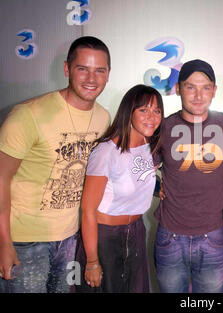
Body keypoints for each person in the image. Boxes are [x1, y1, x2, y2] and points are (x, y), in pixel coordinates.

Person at [0, 36, 111, 292]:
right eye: (82, 69)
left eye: (99, 71)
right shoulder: (28, 115)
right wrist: (4, 242)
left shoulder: (103, 117)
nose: (91, 79)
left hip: (69, 238)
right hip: (24, 241)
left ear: (108, 75)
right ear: (66, 69)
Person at [153, 59, 223, 293]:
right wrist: (153, 186)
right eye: (190, 87)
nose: (198, 95)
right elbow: (140, 166)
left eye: (205, 87)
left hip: (213, 236)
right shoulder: (164, 127)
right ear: (178, 88)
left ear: (214, 91)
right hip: (170, 237)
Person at [75, 84, 163, 293]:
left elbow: (140, 178)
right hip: (104, 238)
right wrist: (92, 261)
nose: (152, 116)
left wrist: (161, 188)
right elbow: (88, 211)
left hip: (136, 232)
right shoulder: (107, 151)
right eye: (143, 110)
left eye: (157, 111)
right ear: (128, 112)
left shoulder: (148, 144)